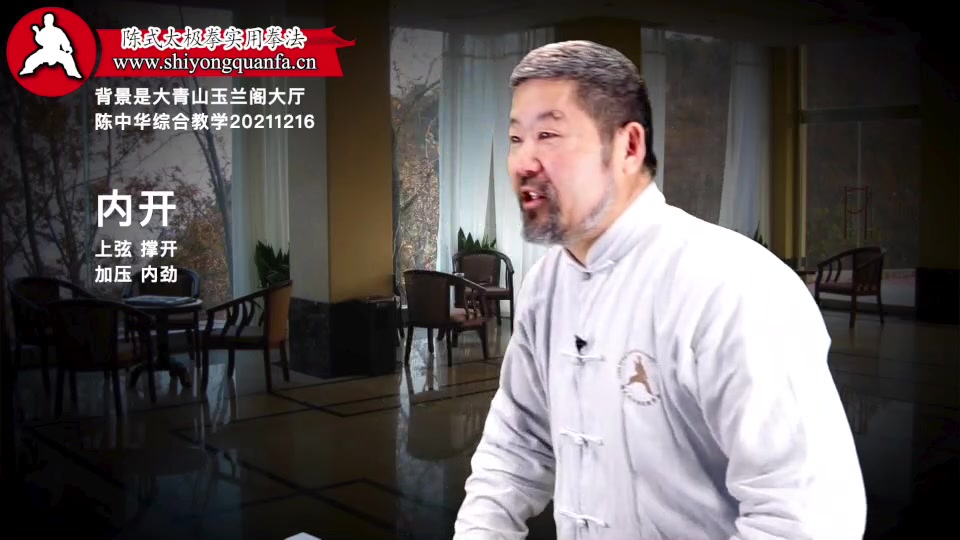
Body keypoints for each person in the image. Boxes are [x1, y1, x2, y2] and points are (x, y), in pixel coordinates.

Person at [453, 40, 866, 540]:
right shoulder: (546, 286)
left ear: (628, 146)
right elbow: (515, 449)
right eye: (516, 138)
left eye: (548, 135)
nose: (523, 161)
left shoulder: (733, 285)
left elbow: (808, 518)